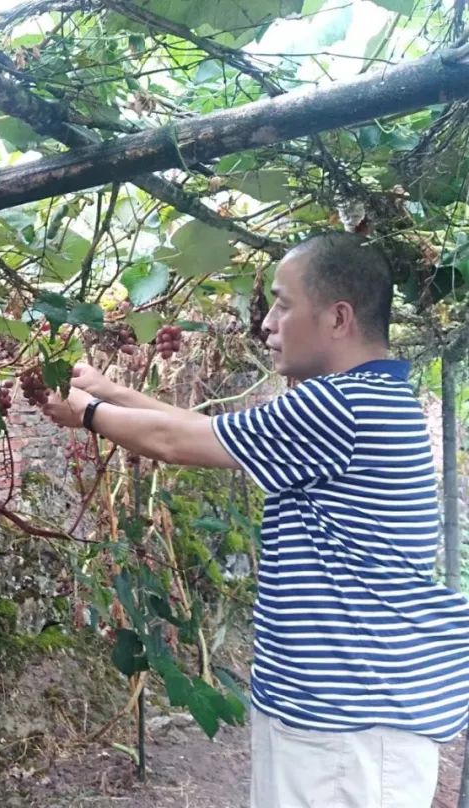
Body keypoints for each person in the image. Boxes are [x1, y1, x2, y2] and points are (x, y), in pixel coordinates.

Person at [44, 232, 469, 808]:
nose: (266, 323)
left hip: (349, 724)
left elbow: (175, 442)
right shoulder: (367, 398)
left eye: (283, 303)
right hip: (334, 712)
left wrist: (89, 412)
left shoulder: (339, 405)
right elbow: (210, 434)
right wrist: (109, 391)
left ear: (338, 317)